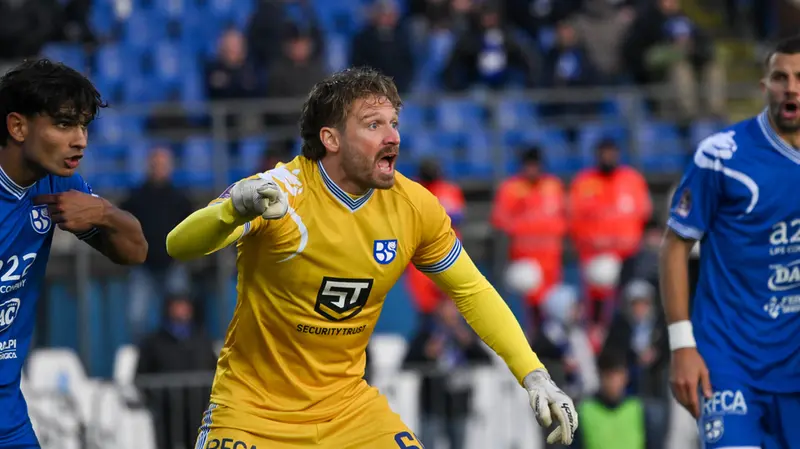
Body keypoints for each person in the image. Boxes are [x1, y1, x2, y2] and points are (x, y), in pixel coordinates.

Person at [167, 67, 578, 448]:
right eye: (374, 124)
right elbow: (178, 245)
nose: (393, 136)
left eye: (394, 123)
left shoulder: (415, 207)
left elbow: (472, 291)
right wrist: (234, 207)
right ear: (331, 139)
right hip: (253, 414)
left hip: (348, 412)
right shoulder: (279, 191)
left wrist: (533, 373)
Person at [660, 35, 800, 448]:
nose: (791, 87)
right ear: (764, 86)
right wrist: (682, 345)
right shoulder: (721, 156)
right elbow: (674, 246)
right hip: (728, 360)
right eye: (780, 77)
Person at [0, 58, 148, 448]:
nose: (80, 139)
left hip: (7, 412)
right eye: (64, 124)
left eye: (83, 126)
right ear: (18, 126)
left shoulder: (58, 183)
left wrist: (102, 212)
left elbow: (135, 250)